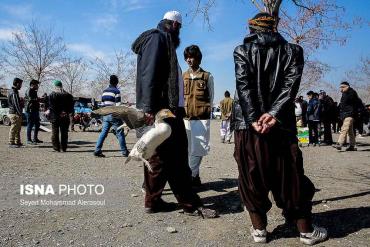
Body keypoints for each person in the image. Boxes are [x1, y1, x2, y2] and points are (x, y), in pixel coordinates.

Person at [232, 12, 327, 245]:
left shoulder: (241, 50)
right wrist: (273, 114)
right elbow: (290, 86)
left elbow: (243, 87)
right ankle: (305, 231)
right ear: (275, 27)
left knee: (251, 175)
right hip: (281, 123)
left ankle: (260, 232)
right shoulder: (293, 51)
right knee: (290, 175)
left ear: (251, 28)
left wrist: (255, 118)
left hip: (248, 125)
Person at [131, 10, 217, 218]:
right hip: (162, 111)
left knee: (158, 158)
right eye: (179, 28)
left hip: (163, 109)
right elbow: (148, 74)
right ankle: (189, 204)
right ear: (174, 25)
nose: (179, 33)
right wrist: (149, 109)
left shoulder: (161, 40)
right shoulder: (158, 39)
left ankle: (153, 201)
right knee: (177, 158)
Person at [182, 45, 214, 187]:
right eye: (187, 57)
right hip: (185, 119)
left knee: (199, 148)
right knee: (188, 149)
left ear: (198, 58)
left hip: (201, 119)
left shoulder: (207, 76)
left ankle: (191, 176)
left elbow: (211, 98)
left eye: (192, 57)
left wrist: (205, 112)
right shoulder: (183, 76)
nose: (189, 60)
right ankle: (194, 177)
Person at [93, 75, 129, 157]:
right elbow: (118, 106)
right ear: (116, 82)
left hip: (105, 114)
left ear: (109, 81)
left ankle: (97, 150)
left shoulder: (104, 91)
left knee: (103, 133)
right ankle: (124, 151)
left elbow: (102, 105)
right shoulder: (116, 91)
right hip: (114, 115)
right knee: (120, 133)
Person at [333, 82, 364, 151]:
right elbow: (343, 105)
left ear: (347, 86)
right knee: (350, 131)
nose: (341, 89)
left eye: (343, 87)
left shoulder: (351, 93)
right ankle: (352, 146)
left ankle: (339, 143)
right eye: (340, 87)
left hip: (350, 114)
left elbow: (354, 101)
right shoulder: (344, 94)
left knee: (344, 128)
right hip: (345, 114)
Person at [48, 80, 74, 152]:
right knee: (64, 132)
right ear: (61, 86)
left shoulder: (52, 95)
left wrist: (59, 112)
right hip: (65, 116)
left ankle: (56, 148)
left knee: (55, 132)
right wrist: (65, 112)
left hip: (55, 116)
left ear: (55, 86)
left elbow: (51, 106)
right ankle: (64, 147)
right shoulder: (68, 95)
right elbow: (71, 106)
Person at [24, 79, 42, 145]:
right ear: (32, 85)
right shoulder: (29, 90)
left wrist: (38, 99)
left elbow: (35, 100)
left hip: (35, 110)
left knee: (37, 124)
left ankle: (35, 139)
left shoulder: (34, 91)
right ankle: (28, 140)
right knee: (30, 124)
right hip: (30, 110)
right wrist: (38, 99)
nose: (37, 86)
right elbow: (30, 99)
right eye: (36, 85)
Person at [8, 78, 24, 148]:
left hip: (15, 112)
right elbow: (16, 104)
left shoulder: (13, 91)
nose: (21, 86)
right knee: (14, 128)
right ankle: (11, 142)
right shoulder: (14, 92)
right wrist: (20, 113)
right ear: (17, 83)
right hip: (15, 113)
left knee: (18, 128)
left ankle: (17, 142)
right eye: (20, 84)